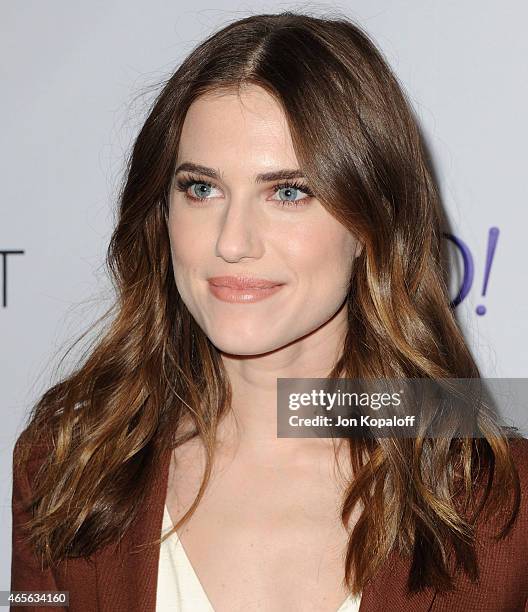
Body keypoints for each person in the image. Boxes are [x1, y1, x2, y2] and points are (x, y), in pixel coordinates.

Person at [10, 11, 528, 612]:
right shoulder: (68, 464)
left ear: (370, 226)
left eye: (288, 192)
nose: (232, 241)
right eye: (201, 188)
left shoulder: (501, 508)